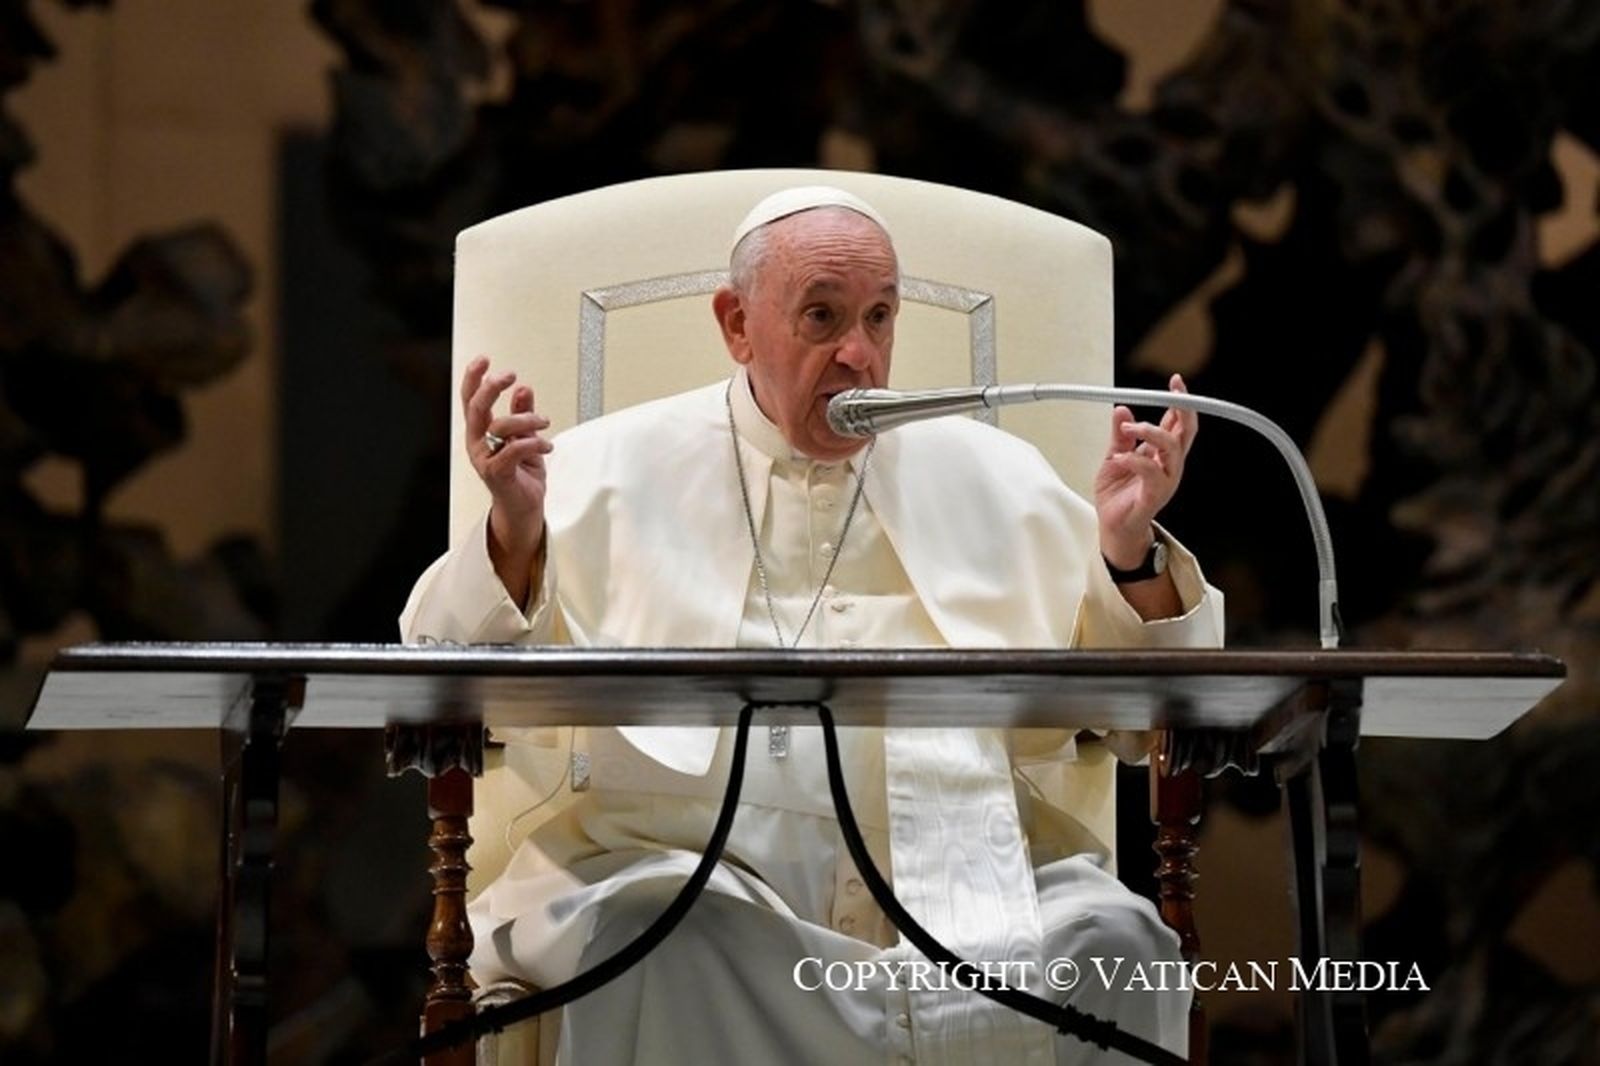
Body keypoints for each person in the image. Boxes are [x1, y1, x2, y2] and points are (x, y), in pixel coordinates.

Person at [401, 185, 1224, 1064]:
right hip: (695, 872)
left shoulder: (994, 474)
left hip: (967, 871)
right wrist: (513, 535)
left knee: (1119, 943)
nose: (859, 354)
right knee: (658, 937)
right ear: (737, 324)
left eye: (879, 316)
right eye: (822, 317)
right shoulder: (604, 468)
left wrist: (1128, 553)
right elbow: (448, 672)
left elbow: (1142, 717)